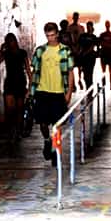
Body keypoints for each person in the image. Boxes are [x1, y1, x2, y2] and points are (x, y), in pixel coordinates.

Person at [29, 21, 73, 167]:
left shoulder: (65, 51)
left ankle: (55, 151)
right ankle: (47, 140)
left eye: (53, 35)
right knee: (42, 123)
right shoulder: (40, 51)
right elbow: (34, 72)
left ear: (57, 34)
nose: (51, 38)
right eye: (48, 36)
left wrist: (69, 93)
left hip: (58, 92)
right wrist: (30, 90)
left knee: (57, 125)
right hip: (42, 91)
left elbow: (70, 72)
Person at [0, 32, 30, 151]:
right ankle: (11, 131)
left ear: (15, 41)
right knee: (10, 110)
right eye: (8, 41)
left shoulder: (22, 53)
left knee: (20, 108)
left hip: (20, 82)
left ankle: (18, 131)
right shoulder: (6, 53)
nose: (11, 43)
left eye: (12, 40)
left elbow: (28, 69)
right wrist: (0, 50)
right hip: (9, 83)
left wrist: (31, 85)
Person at [75, 21, 99, 90]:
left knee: (90, 73)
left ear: (92, 27)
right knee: (85, 75)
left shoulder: (94, 37)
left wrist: (95, 53)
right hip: (84, 57)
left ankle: (90, 88)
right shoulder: (82, 36)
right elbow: (79, 46)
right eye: (87, 26)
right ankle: (87, 87)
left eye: (89, 26)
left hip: (91, 57)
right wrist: (79, 53)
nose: (88, 28)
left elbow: (94, 46)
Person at [97, 20, 111, 87]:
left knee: (110, 70)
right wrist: (99, 50)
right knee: (103, 71)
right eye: (106, 24)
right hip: (103, 54)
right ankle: (104, 84)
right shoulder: (102, 34)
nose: (107, 26)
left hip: (110, 53)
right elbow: (98, 43)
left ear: (109, 25)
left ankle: (110, 84)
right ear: (105, 25)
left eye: (108, 24)